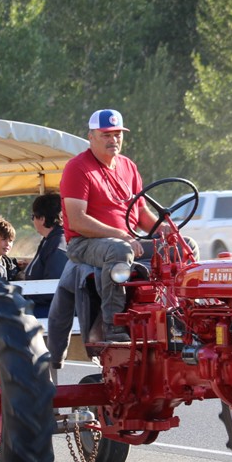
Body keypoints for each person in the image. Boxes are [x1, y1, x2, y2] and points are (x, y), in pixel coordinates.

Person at [59, 108, 163, 342]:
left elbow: (142, 213)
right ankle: (112, 324)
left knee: (180, 247)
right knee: (119, 249)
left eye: (117, 134)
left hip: (125, 240)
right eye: (106, 135)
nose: (113, 140)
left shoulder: (128, 166)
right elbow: (77, 220)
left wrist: (165, 231)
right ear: (91, 136)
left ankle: (176, 315)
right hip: (84, 242)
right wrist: (121, 235)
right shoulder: (78, 168)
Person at [24, 192, 68, 317]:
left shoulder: (58, 243)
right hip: (42, 303)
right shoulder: (48, 240)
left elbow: (53, 286)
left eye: (33, 217)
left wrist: (24, 294)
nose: (33, 221)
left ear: (42, 219)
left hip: (51, 309)